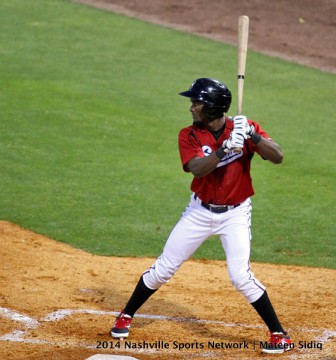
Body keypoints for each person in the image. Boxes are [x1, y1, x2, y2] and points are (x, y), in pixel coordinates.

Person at [109, 78, 292, 354]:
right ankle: (126, 314)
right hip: (199, 212)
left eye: (197, 103)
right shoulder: (189, 135)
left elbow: (277, 156)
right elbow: (197, 168)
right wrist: (224, 150)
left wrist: (251, 136)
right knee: (164, 268)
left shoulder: (244, 127)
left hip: (235, 214)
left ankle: (278, 334)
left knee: (240, 276)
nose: (192, 107)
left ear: (213, 107)